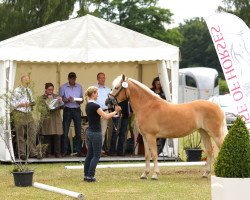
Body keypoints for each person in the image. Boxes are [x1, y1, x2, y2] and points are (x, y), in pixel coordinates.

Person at [84, 86, 121, 182]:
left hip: (89, 132)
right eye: (96, 93)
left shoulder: (88, 105)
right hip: (96, 133)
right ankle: (91, 176)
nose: (98, 94)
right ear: (92, 94)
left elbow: (99, 117)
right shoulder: (96, 106)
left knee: (90, 155)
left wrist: (113, 113)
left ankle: (86, 175)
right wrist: (115, 111)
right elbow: (106, 116)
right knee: (96, 155)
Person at [11, 75, 41, 160]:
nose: (28, 82)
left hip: (28, 113)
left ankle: (33, 152)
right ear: (22, 81)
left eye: (28, 80)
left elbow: (31, 101)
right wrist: (20, 104)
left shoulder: (29, 90)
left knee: (32, 133)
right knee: (20, 134)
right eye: (26, 80)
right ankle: (22, 153)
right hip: (19, 112)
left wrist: (32, 103)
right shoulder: (17, 90)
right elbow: (12, 103)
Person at [59, 72, 84, 157]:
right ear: (68, 78)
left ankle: (79, 151)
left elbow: (82, 99)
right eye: (71, 78)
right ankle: (64, 151)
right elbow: (60, 99)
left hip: (77, 109)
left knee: (78, 132)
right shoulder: (63, 87)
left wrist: (79, 100)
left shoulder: (79, 87)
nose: (73, 80)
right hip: (67, 109)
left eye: (74, 78)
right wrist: (67, 100)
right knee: (65, 131)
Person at [40, 83, 64, 158]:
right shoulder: (42, 98)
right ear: (45, 89)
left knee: (57, 135)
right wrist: (48, 102)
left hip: (56, 118)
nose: (51, 91)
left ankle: (57, 152)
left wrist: (60, 101)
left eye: (52, 89)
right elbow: (39, 109)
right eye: (49, 89)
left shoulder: (57, 96)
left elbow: (63, 107)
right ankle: (48, 153)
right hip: (47, 119)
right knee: (47, 136)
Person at [95, 72, 111, 154]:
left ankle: (99, 149)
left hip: (105, 111)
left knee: (103, 132)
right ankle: (94, 149)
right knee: (95, 131)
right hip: (96, 112)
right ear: (97, 79)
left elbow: (111, 101)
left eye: (103, 77)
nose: (102, 79)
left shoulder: (108, 90)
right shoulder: (94, 88)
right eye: (100, 78)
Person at [151, 77, 167, 154]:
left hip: (162, 114)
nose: (158, 85)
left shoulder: (164, 92)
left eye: (160, 84)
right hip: (152, 115)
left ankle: (160, 150)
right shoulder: (150, 91)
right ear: (154, 83)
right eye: (157, 84)